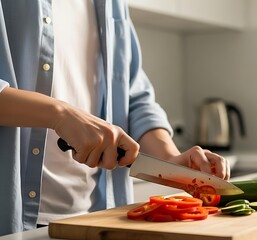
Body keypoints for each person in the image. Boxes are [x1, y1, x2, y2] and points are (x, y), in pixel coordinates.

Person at [0, 0, 230, 236]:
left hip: (98, 217)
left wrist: (170, 159)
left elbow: (133, 95)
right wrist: (59, 114)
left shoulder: (112, 4)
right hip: (13, 221)